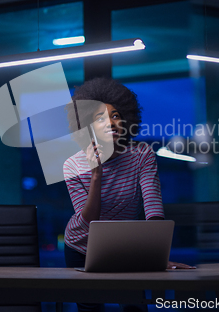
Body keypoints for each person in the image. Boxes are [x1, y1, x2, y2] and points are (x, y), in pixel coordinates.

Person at [63, 78, 194, 312]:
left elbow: (153, 208)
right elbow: (88, 220)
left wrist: (157, 255)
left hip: (127, 247)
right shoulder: (73, 165)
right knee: (90, 309)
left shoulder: (141, 154)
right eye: (100, 117)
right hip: (82, 246)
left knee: (135, 306)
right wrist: (96, 174)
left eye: (115, 115)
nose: (111, 123)